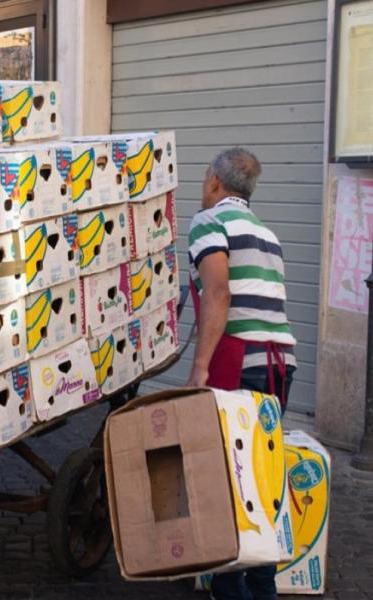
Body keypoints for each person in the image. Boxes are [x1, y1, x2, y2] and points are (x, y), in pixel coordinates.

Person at [185, 147, 297, 600]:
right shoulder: (268, 234)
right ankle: (262, 587)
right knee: (260, 478)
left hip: (239, 364)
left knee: (225, 480)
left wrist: (199, 367)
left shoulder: (209, 222)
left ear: (214, 180)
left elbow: (218, 294)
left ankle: (230, 590)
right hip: (278, 366)